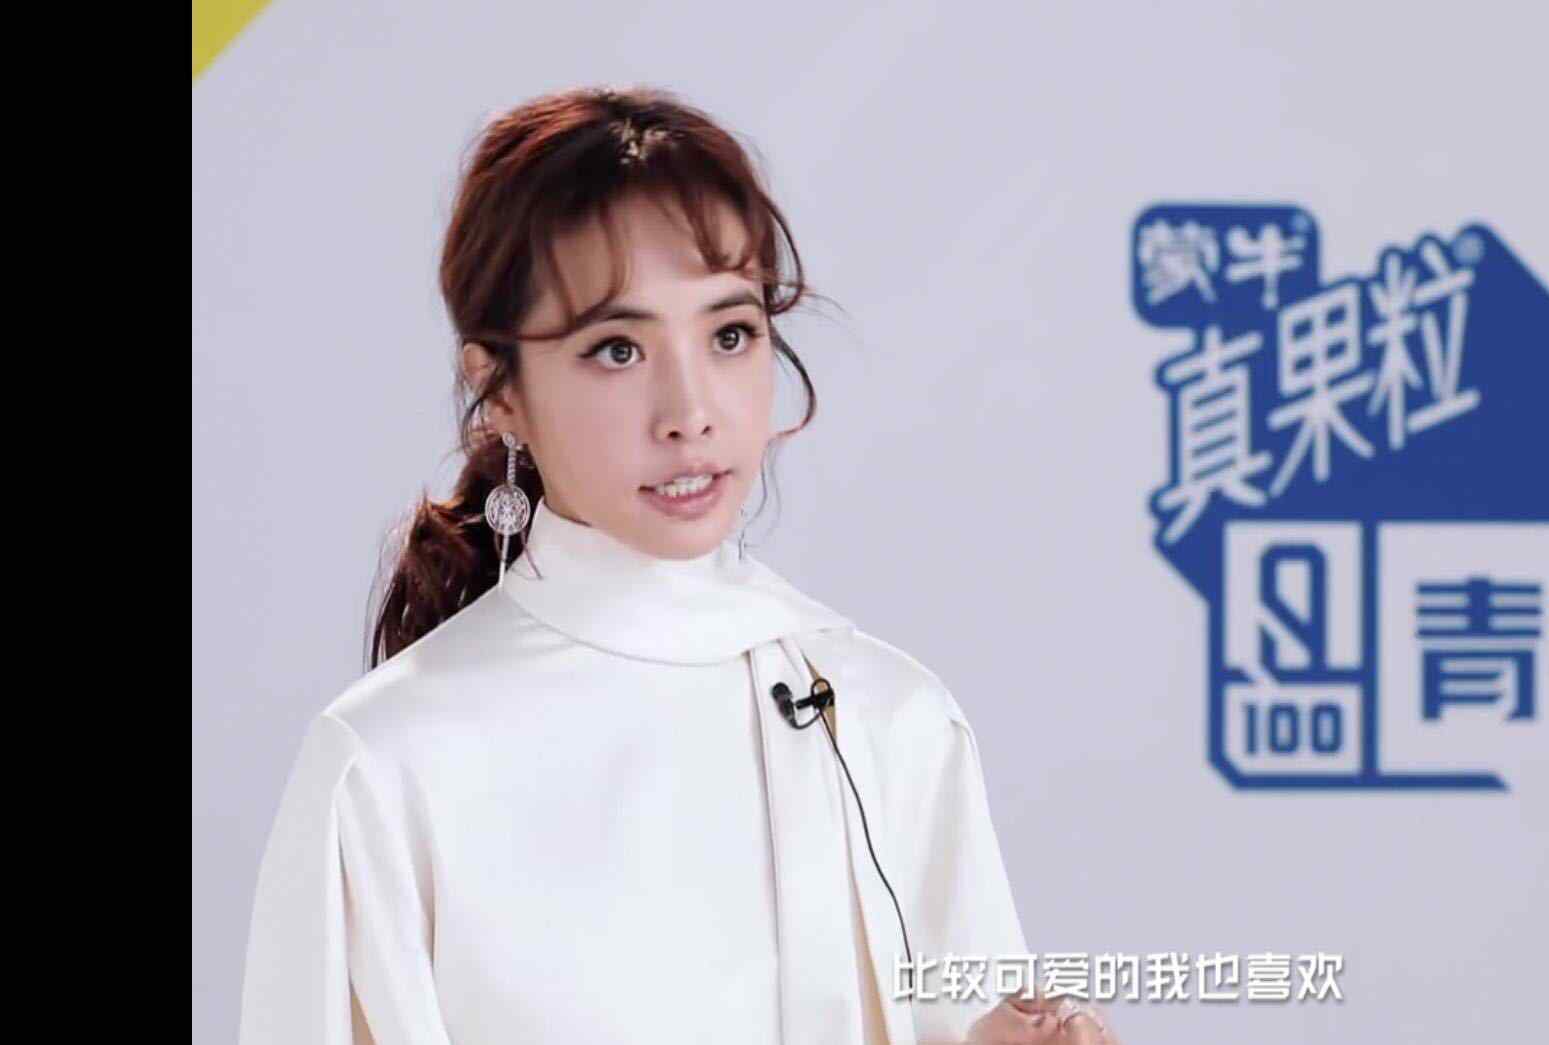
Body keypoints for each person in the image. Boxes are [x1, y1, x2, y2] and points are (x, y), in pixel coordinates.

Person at [236, 85, 1118, 1045]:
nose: (690, 412)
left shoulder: (892, 719)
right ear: (499, 389)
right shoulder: (386, 765)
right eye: (617, 349)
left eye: (730, 335)